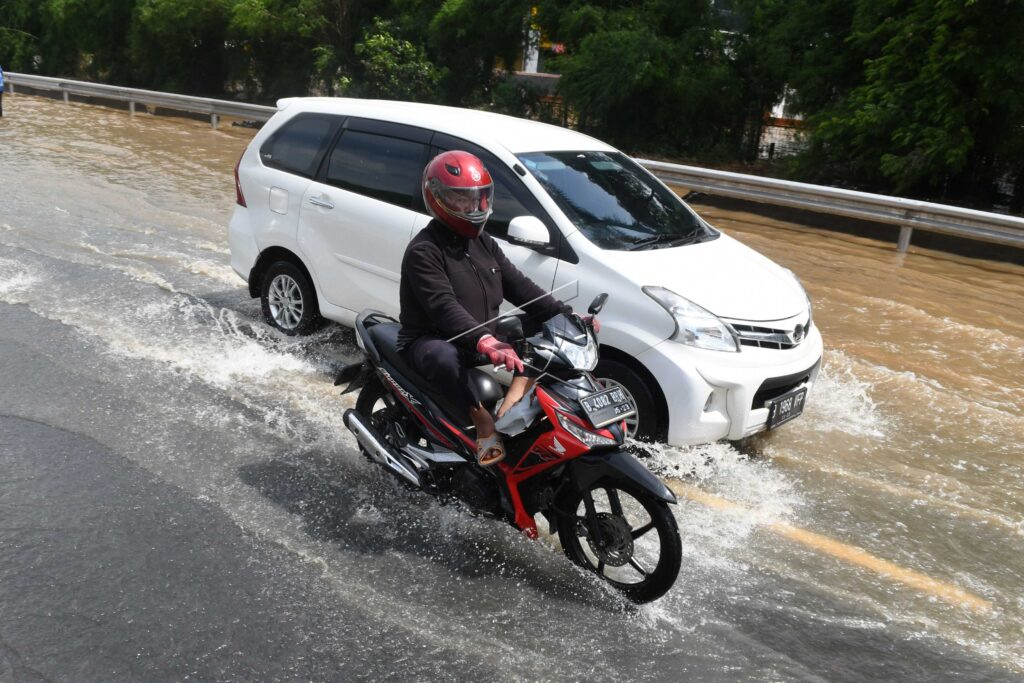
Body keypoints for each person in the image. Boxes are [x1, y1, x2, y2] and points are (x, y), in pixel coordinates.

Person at [398, 150, 592, 466]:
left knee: (543, 330)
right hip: (435, 340)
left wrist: (567, 317)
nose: (473, 207)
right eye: (461, 199)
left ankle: (513, 402)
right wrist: (486, 341)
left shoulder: (484, 242)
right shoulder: (424, 250)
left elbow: (520, 286)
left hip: (482, 336)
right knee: (442, 356)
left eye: (479, 199)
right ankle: (482, 419)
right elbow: (443, 307)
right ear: (437, 199)